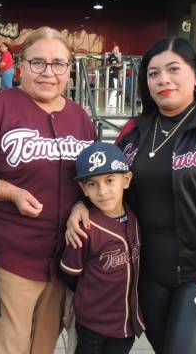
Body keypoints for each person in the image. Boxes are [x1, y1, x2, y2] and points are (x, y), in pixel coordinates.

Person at [67, 37, 196, 354]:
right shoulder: (134, 131)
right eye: (153, 73)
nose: (163, 80)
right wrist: (80, 204)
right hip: (146, 272)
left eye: (173, 70)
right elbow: (106, 183)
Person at [0, 27, 97, 353]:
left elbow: (94, 179)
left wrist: (83, 204)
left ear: (69, 68)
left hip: (62, 263)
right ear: (20, 66)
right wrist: (10, 192)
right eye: (38, 63)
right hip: (11, 259)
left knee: (42, 348)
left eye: (58, 64)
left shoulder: (79, 117)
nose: (49, 72)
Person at [60, 141, 144, 354]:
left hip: (126, 324)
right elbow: (70, 274)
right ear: (83, 189)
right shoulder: (84, 228)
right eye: (92, 184)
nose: (102, 191)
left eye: (109, 180)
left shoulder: (134, 216)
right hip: (92, 325)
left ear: (126, 180)